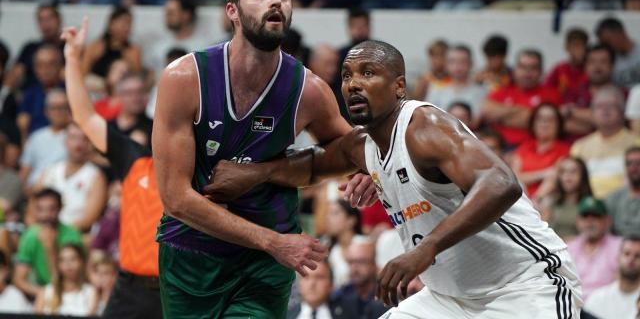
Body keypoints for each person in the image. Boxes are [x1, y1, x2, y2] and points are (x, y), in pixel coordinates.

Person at [207, 40, 582, 317]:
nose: (353, 84)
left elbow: (502, 184)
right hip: (450, 299)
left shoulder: (425, 126)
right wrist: (254, 173)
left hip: (527, 286)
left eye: (368, 73)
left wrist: (425, 248)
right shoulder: (362, 145)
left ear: (399, 86)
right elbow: (312, 164)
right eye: (347, 76)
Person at [151, 0, 376, 318]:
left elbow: (355, 148)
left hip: (266, 260)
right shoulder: (184, 78)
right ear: (233, 12)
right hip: (192, 251)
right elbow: (176, 198)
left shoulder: (309, 90)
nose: (276, 1)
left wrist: (368, 169)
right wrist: (275, 243)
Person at [61, 17, 164, 319]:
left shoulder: (201, 172)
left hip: (179, 291)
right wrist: (71, 59)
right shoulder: (135, 160)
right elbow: (84, 116)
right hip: (129, 289)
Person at [482, 49, 561, 149]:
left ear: (541, 71)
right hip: (500, 149)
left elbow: (555, 124)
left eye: (533, 68)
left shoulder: (551, 94)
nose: (527, 73)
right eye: (523, 67)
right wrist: (529, 113)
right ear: (515, 70)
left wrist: (503, 117)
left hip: (534, 150)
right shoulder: (502, 91)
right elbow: (486, 111)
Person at [571, 85, 640, 199]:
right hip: (587, 206)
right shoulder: (579, 147)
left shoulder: (636, 143)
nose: (605, 110)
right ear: (592, 113)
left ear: (622, 112)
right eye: (599, 106)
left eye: (611, 106)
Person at [13, 189, 83, 298]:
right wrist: (44, 293)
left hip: (71, 292)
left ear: (60, 209)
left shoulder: (72, 236)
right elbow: (19, 280)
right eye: (40, 209)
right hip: (41, 293)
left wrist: (50, 249)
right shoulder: (30, 236)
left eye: (51, 209)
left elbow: (69, 278)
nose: (46, 215)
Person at [38, 122, 108, 232]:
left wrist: (59, 233)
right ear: (65, 141)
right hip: (43, 231)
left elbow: (89, 219)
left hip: (75, 235)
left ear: (91, 144)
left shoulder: (96, 176)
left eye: (84, 139)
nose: (78, 144)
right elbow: (32, 207)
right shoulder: (50, 171)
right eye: (73, 137)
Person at [510, 103, 570, 199]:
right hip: (521, 198)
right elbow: (514, 178)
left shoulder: (564, 150)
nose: (544, 123)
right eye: (540, 119)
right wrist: (543, 174)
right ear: (533, 123)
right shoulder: (523, 148)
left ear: (559, 125)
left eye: (550, 120)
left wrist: (535, 200)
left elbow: (554, 177)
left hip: (546, 199)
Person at [567, 196, 622, 300]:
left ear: (607, 220)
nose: (589, 221)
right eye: (585, 216)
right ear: (577, 221)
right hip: (573, 307)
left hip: (605, 307)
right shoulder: (568, 248)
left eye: (596, 216)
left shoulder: (620, 246)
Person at [18, 89, 70, 191]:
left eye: (63, 107)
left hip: (62, 188)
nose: (58, 112)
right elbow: (24, 172)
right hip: (34, 190)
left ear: (69, 110)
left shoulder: (76, 136)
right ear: (46, 111)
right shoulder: (36, 137)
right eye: (53, 108)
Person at [426, 45, 487, 127]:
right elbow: (429, 118)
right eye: (452, 62)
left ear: (471, 64)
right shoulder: (436, 90)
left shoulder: (482, 91)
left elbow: (478, 120)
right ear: (446, 64)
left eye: (462, 62)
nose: (457, 66)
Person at [6, 4, 64, 90]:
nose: (46, 24)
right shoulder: (30, 48)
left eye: (49, 19)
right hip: (30, 95)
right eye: (41, 20)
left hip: (60, 94)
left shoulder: (69, 48)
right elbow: (15, 74)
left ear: (59, 20)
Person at [584, 236, 640, 319]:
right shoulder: (597, 298)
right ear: (618, 257)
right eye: (627, 253)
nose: (631, 259)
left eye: (638, 256)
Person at [17, 44, 65, 139]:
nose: (45, 70)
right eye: (40, 65)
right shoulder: (29, 94)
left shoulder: (70, 92)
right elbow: (23, 126)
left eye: (50, 64)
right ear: (34, 68)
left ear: (61, 66)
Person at [35, 243, 98, 315]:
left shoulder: (91, 292)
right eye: (63, 260)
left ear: (81, 262)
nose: (68, 264)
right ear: (58, 264)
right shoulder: (46, 291)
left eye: (73, 259)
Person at [539, 157, 594, 239]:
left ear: (583, 176)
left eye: (573, 172)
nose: (567, 176)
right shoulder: (552, 202)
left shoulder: (590, 204)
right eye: (563, 172)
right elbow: (540, 232)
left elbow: (592, 238)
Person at [331, 240, 387, 318]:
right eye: (351, 262)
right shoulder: (340, 296)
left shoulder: (387, 295)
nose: (354, 268)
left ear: (374, 264)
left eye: (361, 262)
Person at [82, 6, 142, 79]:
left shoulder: (133, 51)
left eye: (129, 24)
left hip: (121, 88)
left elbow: (137, 75)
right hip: (95, 86)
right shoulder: (96, 47)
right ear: (111, 24)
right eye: (123, 23)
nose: (127, 28)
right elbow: (83, 72)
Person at [325, 200, 366, 288]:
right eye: (328, 213)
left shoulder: (366, 245)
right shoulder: (332, 251)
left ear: (351, 220)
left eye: (335, 213)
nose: (327, 218)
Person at [545, 28, 589, 105]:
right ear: (567, 47)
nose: (579, 49)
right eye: (575, 45)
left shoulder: (589, 70)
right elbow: (547, 91)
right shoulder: (559, 69)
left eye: (582, 46)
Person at [596, 17, 640, 88]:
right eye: (604, 44)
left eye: (608, 41)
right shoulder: (610, 61)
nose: (608, 46)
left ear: (620, 32)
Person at [606, 146, 640, 237]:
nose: (634, 168)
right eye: (629, 163)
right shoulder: (613, 198)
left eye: (638, 163)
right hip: (619, 248)